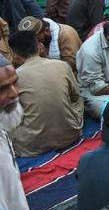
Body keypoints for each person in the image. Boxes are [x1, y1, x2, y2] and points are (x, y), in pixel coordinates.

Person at [8, 29, 83, 157]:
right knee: (79, 100)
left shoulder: (13, 78)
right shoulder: (62, 66)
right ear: (40, 46)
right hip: (71, 134)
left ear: (15, 55)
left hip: (33, 145)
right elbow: (75, 96)